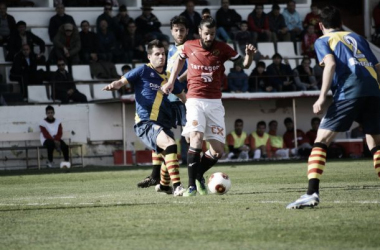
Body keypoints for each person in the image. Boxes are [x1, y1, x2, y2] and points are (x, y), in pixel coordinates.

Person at [286, 6, 380, 209]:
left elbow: (330, 64)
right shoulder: (358, 37)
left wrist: (321, 97)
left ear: (320, 25)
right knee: (375, 142)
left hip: (349, 91)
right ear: (340, 22)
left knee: (321, 140)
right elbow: (377, 66)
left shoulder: (323, 40)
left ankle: (311, 193)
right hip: (373, 90)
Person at [161, 17, 256, 196]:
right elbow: (179, 62)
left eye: (212, 34)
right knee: (195, 138)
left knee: (218, 151)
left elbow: (243, 65)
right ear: (200, 32)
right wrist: (172, 81)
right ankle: (191, 187)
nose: (209, 37)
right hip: (195, 99)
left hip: (214, 102)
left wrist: (249, 56)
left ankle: (198, 174)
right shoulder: (189, 45)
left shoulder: (223, 48)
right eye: (206, 34)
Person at [103, 39, 187, 196]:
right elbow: (122, 81)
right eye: (157, 54)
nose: (161, 57)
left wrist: (195, 111)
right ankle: (177, 186)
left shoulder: (169, 77)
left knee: (168, 155)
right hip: (145, 122)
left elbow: (183, 96)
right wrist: (115, 84)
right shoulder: (143, 71)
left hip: (163, 123)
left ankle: (162, 184)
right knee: (170, 144)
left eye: (163, 54)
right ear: (149, 57)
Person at [136, 15, 189, 189]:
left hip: (184, 97)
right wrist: (169, 83)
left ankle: (196, 178)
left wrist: (173, 82)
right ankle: (162, 181)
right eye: (176, 30)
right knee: (163, 138)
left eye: (182, 30)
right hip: (168, 99)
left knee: (190, 138)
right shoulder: (171, 51)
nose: (179, 33)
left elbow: (191, 70)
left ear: (187, 31)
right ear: (171, 31)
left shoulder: (191, 48)